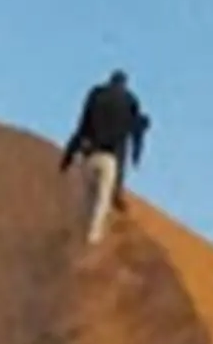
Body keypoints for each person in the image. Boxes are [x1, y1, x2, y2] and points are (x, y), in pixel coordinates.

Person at [60, 69, 149, 244]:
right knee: (102, 201)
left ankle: (78, 237)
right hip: (110, 159)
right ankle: (92, 240)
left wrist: (67, 158)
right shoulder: (130, 101)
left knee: (87, 200)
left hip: (88, 157)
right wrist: (137, 155)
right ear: (124, 84)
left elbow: (81, 127)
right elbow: (136, 130)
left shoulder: (96, 95)